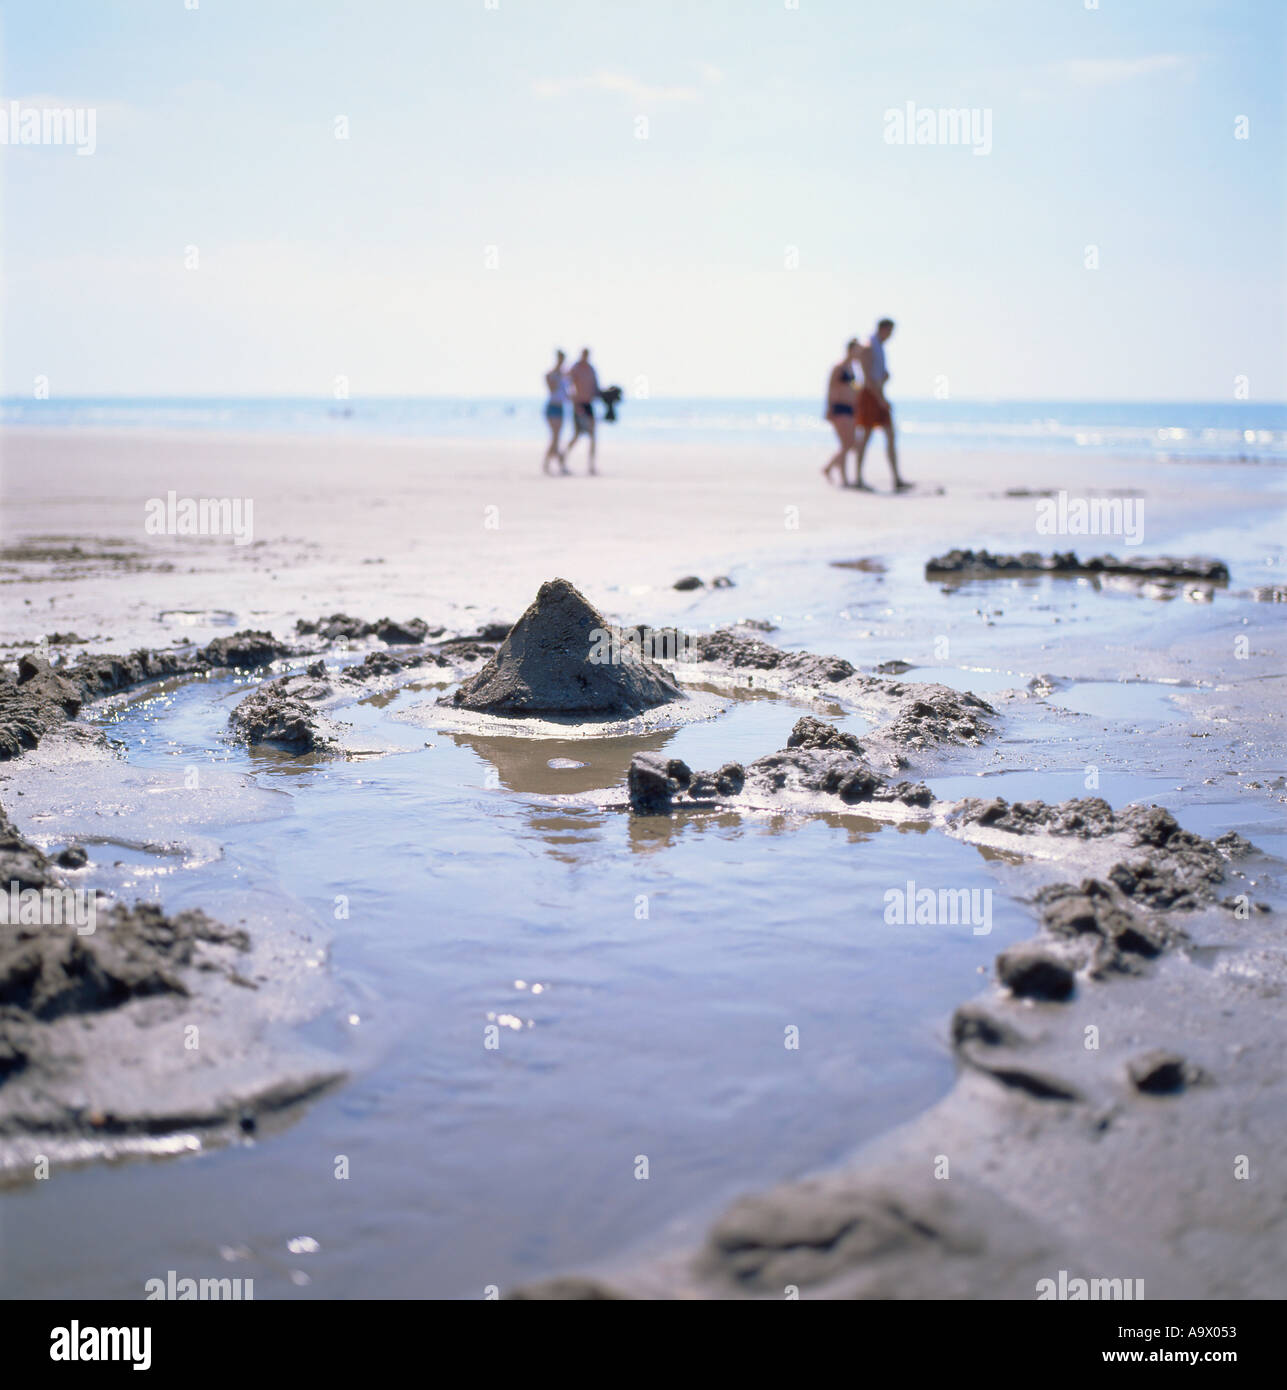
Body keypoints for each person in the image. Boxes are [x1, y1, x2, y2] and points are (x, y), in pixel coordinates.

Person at [854, 318, 911, 491]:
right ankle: (858, 478)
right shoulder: (869, 346)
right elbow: (868, 380)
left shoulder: (879, 347)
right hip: (871, 396)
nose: (891, 336)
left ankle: (896, 478)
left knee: (889, 435)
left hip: (878, 394)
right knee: (866, 437)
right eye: (890, 331)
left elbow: (877, 377)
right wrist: (881, 400)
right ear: (883, 329)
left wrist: (885, 379)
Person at [822, 338, 861, 485]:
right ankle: (843, 478)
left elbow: (854, 389)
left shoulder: (853, 369)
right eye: (857, 350)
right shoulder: (839, 367)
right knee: (847, 443)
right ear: (850, 349)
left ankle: (829, 468)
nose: (859, 353)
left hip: (850, 409)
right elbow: (831, 387)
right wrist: (829, 408)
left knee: (850, 444)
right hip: (839, 408)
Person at [565, 348, 601, 475]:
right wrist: (574, 401)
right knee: (576, 435)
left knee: (592, 436)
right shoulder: (575, 368)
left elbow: (596, 387)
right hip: (578, 404)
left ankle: (591, 465)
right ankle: (563, 459)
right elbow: (567, 384)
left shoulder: (591, 369)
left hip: (588, 405)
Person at [542, 350, 571, 475]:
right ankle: (550, 463)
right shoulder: (551, 374)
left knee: (557, 438)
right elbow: (551, 389)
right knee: (555, 437)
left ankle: (555, 463)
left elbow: (567, 393)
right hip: (552, 407)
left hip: (561, 407)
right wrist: (559, 377)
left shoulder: (565, 375)